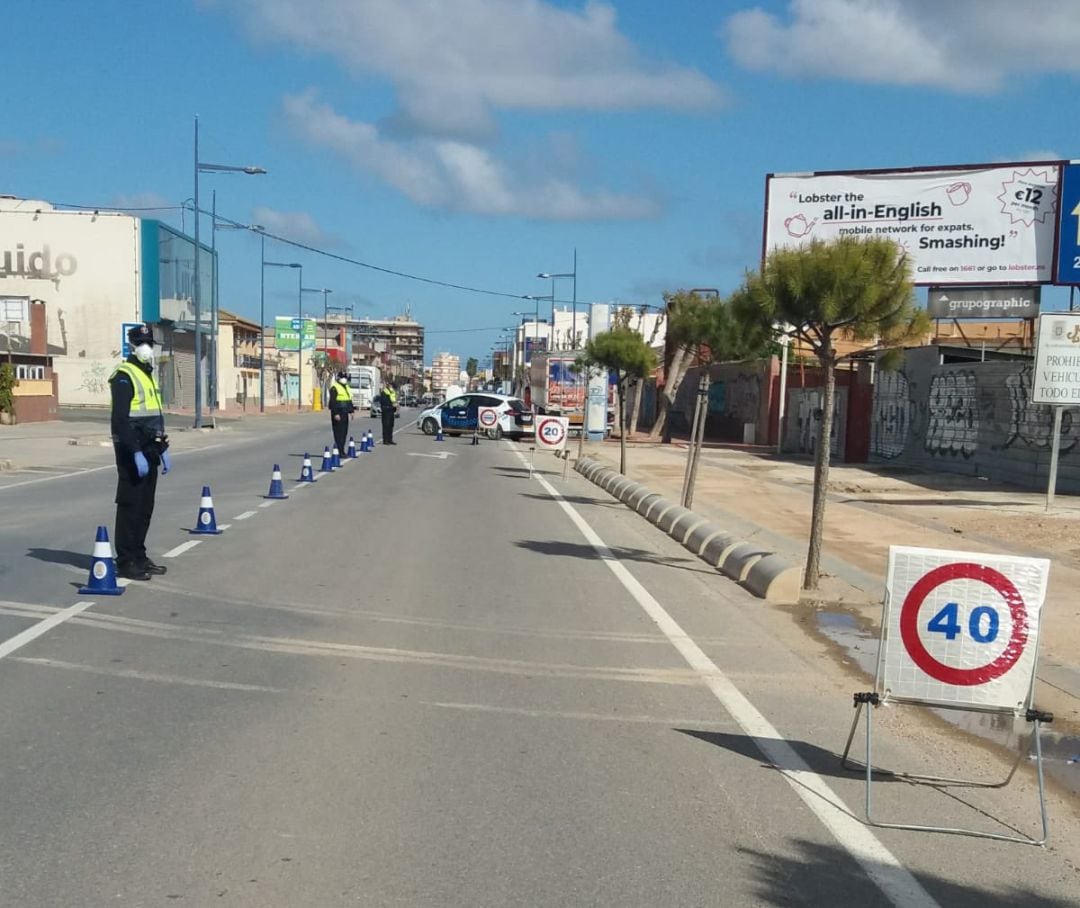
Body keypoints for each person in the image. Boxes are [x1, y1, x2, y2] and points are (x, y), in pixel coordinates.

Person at [110, 323, 170, 581]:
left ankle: (139, 555)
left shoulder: (147, 374)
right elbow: (120, 420)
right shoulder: (124, 375)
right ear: (132, 346)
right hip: (131, 449)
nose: (146, 348)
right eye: (141, 343)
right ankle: (125, 561)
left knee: (146, 507)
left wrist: (163, 447)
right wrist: (134, 451)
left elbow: (153, 417)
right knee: (130, 506)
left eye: (149, 344)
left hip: (150, 449)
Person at [329, 370, 354, 453]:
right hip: (338, 413)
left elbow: (349, 400)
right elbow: (333, 402)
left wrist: (352, 412)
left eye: (345, 377)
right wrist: (335, 413)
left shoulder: (346, 387)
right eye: (343, 377)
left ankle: (341, 450)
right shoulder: (334, 387)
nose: (344, 379)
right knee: (338, 433)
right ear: (338, 378)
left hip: (345, 413)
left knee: (344, 432)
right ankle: (339, 451)